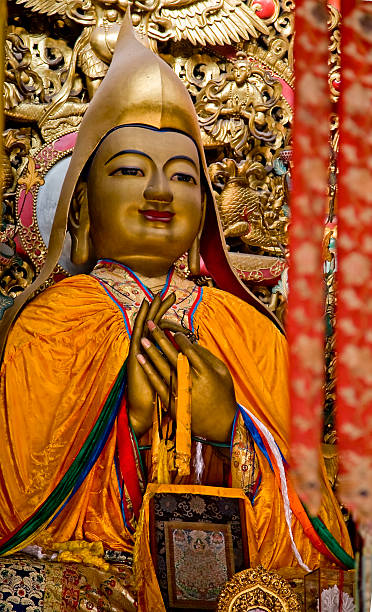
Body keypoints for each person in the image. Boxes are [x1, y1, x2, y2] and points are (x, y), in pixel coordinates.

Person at [0, 12, 352, 610]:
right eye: (131, 171)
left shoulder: (251, 333)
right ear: (81, 206)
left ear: (205, 213)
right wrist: (124, 423)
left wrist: (231, 432)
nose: (159, 192)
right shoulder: (52, 327)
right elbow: (17, 512)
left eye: (183, 176)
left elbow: (322, 542)